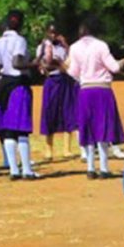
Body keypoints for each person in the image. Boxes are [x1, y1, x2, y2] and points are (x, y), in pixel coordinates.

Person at [66, 15, 124, 180]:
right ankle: (104, 167)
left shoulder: (74, 47)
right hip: (102, 90)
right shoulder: (101, 46)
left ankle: (90, 167)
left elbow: (72, 72)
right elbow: (114, 67)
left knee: (87, 127)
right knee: (102, 127)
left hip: (85, 90)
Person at [0, 11, 39, 181]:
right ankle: (27, 170)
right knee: (21, 129)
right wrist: (34, 64)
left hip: (3, 86)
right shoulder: (20, 41)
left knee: (8, 130)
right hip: (18, 85)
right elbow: (17, 63)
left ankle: (14, 170)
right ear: (21, 24)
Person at [37, 24, 79, 163]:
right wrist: (57, 64)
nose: (53, 35)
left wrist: (65, 45)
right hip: (52, 80)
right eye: (51, 33)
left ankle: (67, 148)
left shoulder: (62, 48)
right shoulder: (42, 47)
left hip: (65, 80)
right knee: (50, 112)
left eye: (55, 33)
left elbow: (72, 60)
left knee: (68, 111)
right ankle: (49, 149)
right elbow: (42, 65)